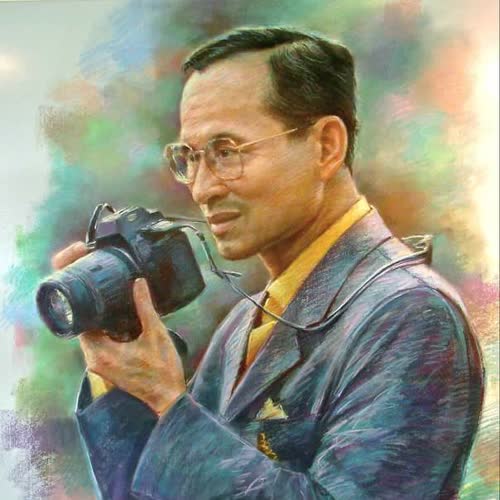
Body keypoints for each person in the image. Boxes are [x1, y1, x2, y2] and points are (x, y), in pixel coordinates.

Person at [52, 27, 484, 499]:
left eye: (226, 152)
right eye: (189, 158)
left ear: (326, 146)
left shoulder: (411, 313)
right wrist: (117, 378)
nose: (202, 188)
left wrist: (166, 400)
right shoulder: (246, 321)